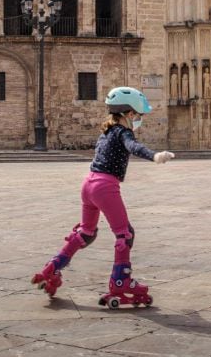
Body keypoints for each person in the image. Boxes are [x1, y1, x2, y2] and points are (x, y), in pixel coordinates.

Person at [31, 86, 175, 308]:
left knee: (86, 234)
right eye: (137, 116)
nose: (138, 120)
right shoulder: (123, 132)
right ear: (129, 114)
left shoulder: (106, 132)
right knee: (125, 235)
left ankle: (52, 268)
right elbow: (133, 146)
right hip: (105, 187)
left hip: (88, 184)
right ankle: (121, 283)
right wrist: (154, 155)